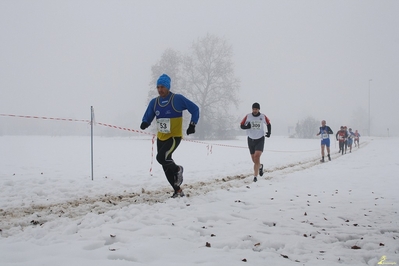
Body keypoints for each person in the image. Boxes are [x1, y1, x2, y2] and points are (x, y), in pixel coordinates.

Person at [140, 74, 200, 198]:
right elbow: (149, 115)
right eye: (158, 87)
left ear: (167, 87)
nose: (160, 90)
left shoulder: (177, 99)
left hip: (174, 137)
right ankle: (177, 191)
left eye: (162, 87)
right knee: (165, 164)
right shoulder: (155, 102)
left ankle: (178, 170)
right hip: (161, 137)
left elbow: (195, 109)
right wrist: (145, 122)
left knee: (161, 158)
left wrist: (192, 124)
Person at [240, 102, 271, 182]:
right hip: (250, 139)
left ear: (259, 109)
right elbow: (241, 125)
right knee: (254, 160)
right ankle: (260, 166)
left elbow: (268, 123)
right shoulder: (248, 116)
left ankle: (255, 176)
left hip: (260, 139)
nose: (255, 110)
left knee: (257, 157)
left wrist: (269, 132)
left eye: (256, 109)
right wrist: (247, 126)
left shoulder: (262, 116)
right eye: (253, 109)